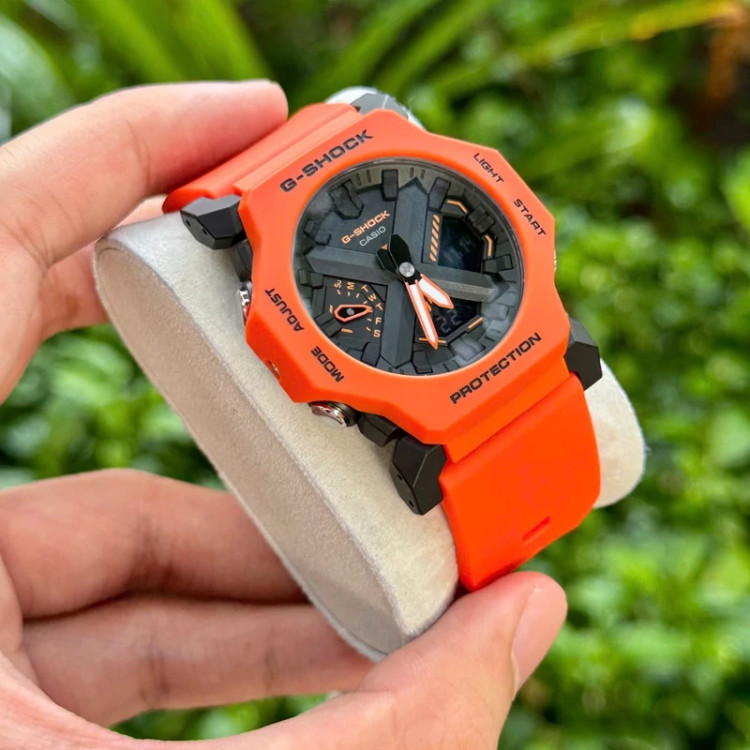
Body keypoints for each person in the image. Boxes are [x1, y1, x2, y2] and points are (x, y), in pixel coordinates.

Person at [0, 81, 567, 749]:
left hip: (531, 357)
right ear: (260, 313)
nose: (407, 272)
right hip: (433, 428)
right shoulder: (251, 222)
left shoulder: (383, 142)